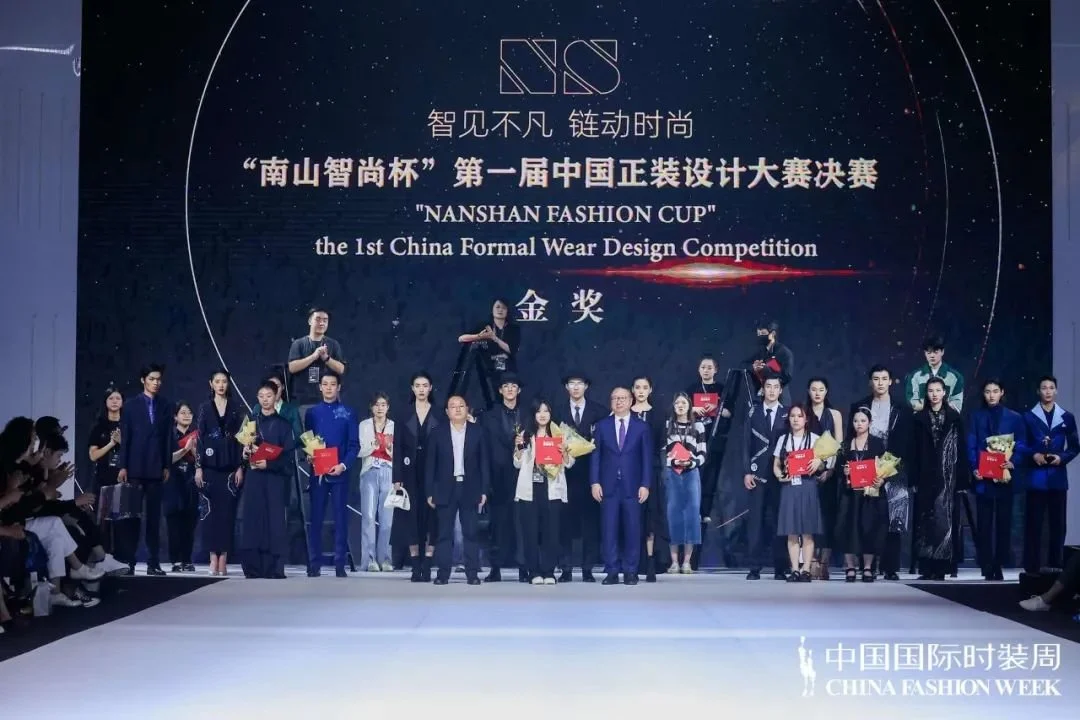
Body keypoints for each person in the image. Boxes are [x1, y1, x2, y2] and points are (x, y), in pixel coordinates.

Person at [849, 365, 912, 581]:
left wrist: (890, 469)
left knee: (894, 519)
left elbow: (906, 442)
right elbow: (851, 438)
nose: (880, 383)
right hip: (866, 471)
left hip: (894, 470)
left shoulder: (902, 409)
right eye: (876, 378)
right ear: (870, 382)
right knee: (867, 518)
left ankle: (890, 566)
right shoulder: (860, 406)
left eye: (884, 378)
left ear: (890, 381)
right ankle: (867, 566)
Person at [590, 386, 653, 585]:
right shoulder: (602, 426)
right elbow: (596, 456)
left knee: (633, 529)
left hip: (633, 486)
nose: (619, 402)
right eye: (615, 398)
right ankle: (611, 571)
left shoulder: (641, 427)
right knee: (609, 530)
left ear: (631, 401)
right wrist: (594, 482)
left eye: (623, 398)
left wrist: (645, 484)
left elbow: (647, 459)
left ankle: (631, 571)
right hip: (608, 486)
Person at [425, 395, 490, 585]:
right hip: (444, 487)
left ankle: (472, 574)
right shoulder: (437, 432)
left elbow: (484, 463)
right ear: (447, 412)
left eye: (461, 405)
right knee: (444, 533)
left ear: (467, 409)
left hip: (470, 487)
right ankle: (443, 574)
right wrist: (429, 491)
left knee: (470, 532)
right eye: (453, 406)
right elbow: (430, 465)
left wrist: (484, 490)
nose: (458, 409)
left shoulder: (478, 432)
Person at [966, 379, 1027, 581]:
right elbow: (971, 443)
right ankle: (986, 564)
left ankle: (999, 563)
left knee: (1003, 523)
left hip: (1004, 477)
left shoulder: (1015, 417)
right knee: (984, 524)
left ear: (1002, 392)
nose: (991, 395)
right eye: (987, 391)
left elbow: (1022, 444)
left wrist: (1013, 462)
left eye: (995, 391)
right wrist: (974, 467)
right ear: (983, 394)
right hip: (983, 477)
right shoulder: (976, 416)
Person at [911, 377, 969, 580]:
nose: (934, 394)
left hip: (948, 476)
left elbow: (962, 450)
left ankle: (943, 567)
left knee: (946, 521)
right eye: (930, 390)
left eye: (938, 390)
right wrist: (913, 480)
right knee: (925, 520)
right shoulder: (919, 419)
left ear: (944, 393)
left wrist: (962, 480)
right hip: (925, 475)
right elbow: (913, 451)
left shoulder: (954, 418)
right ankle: (926, 567)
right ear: (926, 394)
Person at [117, 363, 172, 576]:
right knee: (132, 518)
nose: (156, 383)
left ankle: (153, 562)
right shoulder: (131, 405)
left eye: (158, 379)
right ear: (143, 380)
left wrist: (166, 464)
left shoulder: (165, 405)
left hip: (156, 467)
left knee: (154, 518)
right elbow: (126, 437)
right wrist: (123, 466)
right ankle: (129, 561)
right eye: (152, 379)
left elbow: (168, 438)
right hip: (135, 467)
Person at [304, 372, 360, 577]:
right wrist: (309, 456)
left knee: (340, 518)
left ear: (338, 387)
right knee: (316, 518)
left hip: (340, 473)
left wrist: (343, 465)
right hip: (318, 472)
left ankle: (339, 564)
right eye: (325, 384)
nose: (328, 388)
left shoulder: (348, 412)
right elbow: (308, 441)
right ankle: (314, 563)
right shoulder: (312, 413)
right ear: (320, 387)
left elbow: (354, 445)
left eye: (332, 384)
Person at [240, 380, 296, 579]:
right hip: (254, 478)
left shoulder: (284, 425)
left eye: (269, 396)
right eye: (261, 396)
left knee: (274, 521)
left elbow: (288, 458)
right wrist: (245, 453)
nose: (265, 400)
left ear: (276, 397)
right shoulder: (250, 422)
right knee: (253, 520)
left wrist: (269, 464)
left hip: (274, 479)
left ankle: (274, 568)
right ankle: (252, 567)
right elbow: (242, 450)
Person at [513, 399, 573, 585]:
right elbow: (516, 463)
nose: (542, 415)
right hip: (530, 489)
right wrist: (519, 448)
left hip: (552, 488)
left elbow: (569, 463)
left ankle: (549, 571)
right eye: (539, 411)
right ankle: (533, 572)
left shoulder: (559, 434)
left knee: (551, 533)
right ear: (534, 414)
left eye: (546, 411)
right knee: (530, 533)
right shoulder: (525, 434)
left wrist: (564, 452)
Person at [1022, 375, 1077, 574]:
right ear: (1038, 391)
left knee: (1058, 524)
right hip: (1036, 479)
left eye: (1051, 387)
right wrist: (1034, 454)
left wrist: (1061, 458)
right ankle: (1032, 567)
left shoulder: (1066, 417)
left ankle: (1056, 565)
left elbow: (1074, 446)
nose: (1047, 391)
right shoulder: (1028, 417)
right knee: (1034, 524)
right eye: (1044, 388)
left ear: (1056, 391)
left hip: (1057, 478)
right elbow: (1020, 444)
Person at [194, 370, 246, 577]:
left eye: (224, 381)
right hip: (209, 467)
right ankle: (212, 559)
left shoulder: (236, 408)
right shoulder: (205, 408)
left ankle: (223, 559)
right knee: (209, 515)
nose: (221, 385)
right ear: (211, 384)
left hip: (230, 469)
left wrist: (241, 466)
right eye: (217, 381)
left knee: (227, 516)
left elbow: (242, 438)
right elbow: (199, 438)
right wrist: (198, 467)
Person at [556, 372, 607, 582]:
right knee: (564, 524)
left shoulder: (600, 412)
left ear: (586, 387)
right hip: (564, 475)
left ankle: (588, 568)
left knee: (590, 524)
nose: (576, 387)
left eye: (580, 384)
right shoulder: (556, 411)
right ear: (566, 387)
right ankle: (566, 568)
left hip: (590, 475)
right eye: (572, 383)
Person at [392, 371, 440, 582]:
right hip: (409, 472)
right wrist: (397, 477)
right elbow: (397, 448)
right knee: (410, 518)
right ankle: (415, 565)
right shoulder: (404, 413)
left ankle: (427, 563)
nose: (421, 389)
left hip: (433, 472)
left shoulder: (439, 413)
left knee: (431, 517)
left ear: (430, 388)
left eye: (425, 385)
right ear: (412, 388)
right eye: (417, 385)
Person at [742, 373, 791, 580]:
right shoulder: (753, 412)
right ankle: (754, 567)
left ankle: (781, 567)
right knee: (756, 523)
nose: (771, 390)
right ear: (763, 389)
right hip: (758, 474)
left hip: (781, 476)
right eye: (768, 386)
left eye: (775, 387)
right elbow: (745, 443)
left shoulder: (788, 413)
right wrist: (747, 471)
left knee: (780, 521)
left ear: (780, 390)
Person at [774, 404, 829, 582]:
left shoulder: (815, 439)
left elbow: (823, 465)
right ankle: (795, 569)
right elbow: (776, 464)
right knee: (791, 531)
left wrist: (818, 463)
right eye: (793, 416)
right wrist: (779, 476)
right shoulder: (783, 439)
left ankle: (806, 570)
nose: (796, 419)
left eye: (799, 416)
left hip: (808, 486)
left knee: (807, 531)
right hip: (789, 486)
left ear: (806, 419)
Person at [480, 372, 524, 582]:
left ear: (519, 390)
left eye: (513, 386)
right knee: (497, 525)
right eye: (506, 386)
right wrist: (486, 481)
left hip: (523, 476)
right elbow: (484, 451)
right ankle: (495, 568)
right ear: (500, 390)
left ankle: (524, 567)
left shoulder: (528, 415)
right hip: (497, 478)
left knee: (523, 524)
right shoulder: (488, 417)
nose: (509, 389)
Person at [686, 355, 729, 569]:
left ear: (716, 370)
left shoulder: (722, 390)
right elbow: (680, 410)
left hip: (716, 443)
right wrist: (693, 410)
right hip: (695, 443)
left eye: (709, 367)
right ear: (698, 369)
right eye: (703, 367)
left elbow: (730, 413)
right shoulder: (692, 389)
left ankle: (706, 513)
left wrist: (719, 409)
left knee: (712, 482)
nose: (706, 370)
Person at [835, 407, 888, 582]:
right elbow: (837, 469)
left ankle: (867, 568)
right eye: (856, 421)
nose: (859, 424)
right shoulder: (845, 445)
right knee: (848, 528)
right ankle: (850, 567)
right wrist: (844, 471)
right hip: (850, 494)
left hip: (869, 494)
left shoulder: (877, 443)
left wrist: (881, 480)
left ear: (870, 423)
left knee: (869, 529)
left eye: (863, 421)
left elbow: (886, 468)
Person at [662, 392, 706, 575]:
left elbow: (703, 452)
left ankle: (687, 561)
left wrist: (691, 462)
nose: (680, 406)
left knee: (692, 514)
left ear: (689, 406)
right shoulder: (667, 425)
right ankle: (674, 561)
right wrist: (673, 462)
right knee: (673, 514)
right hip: (672, 473)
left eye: (684, 403)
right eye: (677, 403)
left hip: (691, 473)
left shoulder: (698, 426)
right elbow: (663, 451)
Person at [631, 374, 669, 582]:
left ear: (650, 390)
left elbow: (662, 444)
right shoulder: (626, 413)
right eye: (637, 387)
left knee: (651, 517)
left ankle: (651, 561)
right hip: (629, 470)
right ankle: (633, 561)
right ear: (632, 390)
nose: (641, 391)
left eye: (645, 387)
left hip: (652, 469)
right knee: (633, 516)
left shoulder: (658, 414)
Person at [452, 298, 521, 410]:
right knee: (491, 403)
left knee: (508, 404)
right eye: (497, 307)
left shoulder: (513, 329)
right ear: (492, 309)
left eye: (503, 308)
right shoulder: (484, 326)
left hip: (507, 372)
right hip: (488, 372)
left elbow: (512, 350)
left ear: (508, 310)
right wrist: (479, 336)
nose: (500, 310)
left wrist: (495, 338)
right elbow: (461, 338)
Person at [806, 377, 843, 579]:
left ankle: (825, 563)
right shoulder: (803, 413)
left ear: (826, 391)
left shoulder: (834, 414)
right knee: (810, 517)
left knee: (828, 518)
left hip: (829, 473)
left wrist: (830, 470)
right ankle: (811, 561)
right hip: (808, 472)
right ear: (808, 391)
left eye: (821, 389)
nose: (817, 393)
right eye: (814, 389)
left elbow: (839, 445)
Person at [87, 386, 125, 565]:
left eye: (118, 398)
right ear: (105, 402)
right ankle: (104, 559)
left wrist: (122, 442)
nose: (115, 401)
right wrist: (111, 443)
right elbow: (93, 455)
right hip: (103, 479)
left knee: (122, 522)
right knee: (103, 522)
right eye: (111, 398)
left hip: (123, 479)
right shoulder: (98, 427)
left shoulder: (128, 425)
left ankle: (122, 558)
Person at [358, 392, 395, 571]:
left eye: (383, 405)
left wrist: (389, 449)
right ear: (371, 407)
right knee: (369, 516)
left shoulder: (394, 426)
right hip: (370, 470)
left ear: (388, 407)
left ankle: (385, 559)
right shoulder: (364, 425)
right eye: (377, 405)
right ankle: (369, 559)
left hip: (388, 470)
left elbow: (399, 453)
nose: (380, 408)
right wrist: (373, 446)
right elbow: (359, 451)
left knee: (387, 519)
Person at [287, 307, 347, 413]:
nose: (321, 323)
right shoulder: (298, 344)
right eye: (318, 319)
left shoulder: (333, 344)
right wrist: (313, 357)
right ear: (310, 321)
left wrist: (327, 358)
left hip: (327, 400)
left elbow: (341, 369)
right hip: (302, 400)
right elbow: (292, 367)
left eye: (325, 320)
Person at [164, 402, 199, 573]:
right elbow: (166, 459)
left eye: (189, 412)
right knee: (174, 525)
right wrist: (185, 450)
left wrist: (195, 451)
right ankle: (175, 560)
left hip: (191, 483)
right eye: (183, 412)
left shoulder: (197, 436)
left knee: (189, 524)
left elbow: (202, 461)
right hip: (172, 483)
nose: (186, 415)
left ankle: (187, 559)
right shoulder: (168, 435)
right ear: (175, 416)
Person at [904, 335, 964, 412]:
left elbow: (957, 404)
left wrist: (940, 409)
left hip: (945, 417)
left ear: (942, 352)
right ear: (924, 353)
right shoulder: (915, 376)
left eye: (935, 352)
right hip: (921, 417)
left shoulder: (956, 377)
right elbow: (912, 400)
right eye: (929, 353)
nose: (932, 356)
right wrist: (924, 410)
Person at [746, 319, 795, 399]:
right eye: (758, 333)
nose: (760, 336)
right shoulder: (760, 352)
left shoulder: (784, 352)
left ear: (773, 334)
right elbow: (744, 364)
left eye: (763, 333)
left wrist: (766, 370)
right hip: (763, 398)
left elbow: (787, 376)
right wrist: (754, 367)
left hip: (780, 398)